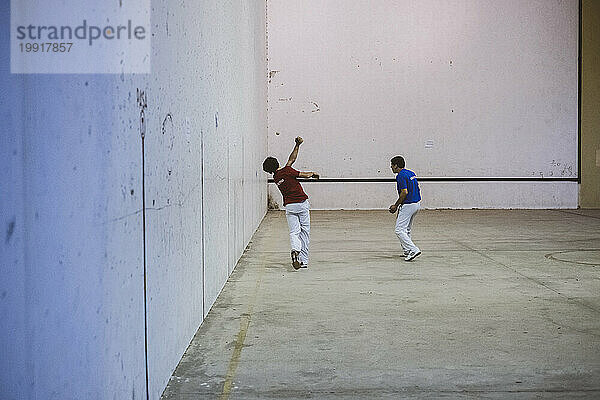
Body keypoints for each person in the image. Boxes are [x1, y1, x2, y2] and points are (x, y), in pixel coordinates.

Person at [263, 137, 319, 269]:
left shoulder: (276, 177)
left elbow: (291, 160)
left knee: (294, 232)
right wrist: (313, 173)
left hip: (290, 207)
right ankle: (303, 261)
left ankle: (295, 250)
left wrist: (297, 145)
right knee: (304, 232)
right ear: (277, 163)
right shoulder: (287, 171)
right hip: (301, 203)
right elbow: (303, 174)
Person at [389, 156, 421, 261]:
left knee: (399, 230)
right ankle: (407, 251)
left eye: (392, 165)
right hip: (416, 204)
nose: (391, 167)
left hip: (408, 205)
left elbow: (404, 192)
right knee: (406, 229)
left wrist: (396, 205)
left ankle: (413, 249)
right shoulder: (411, 173)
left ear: (396, 165)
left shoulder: (400, 176)